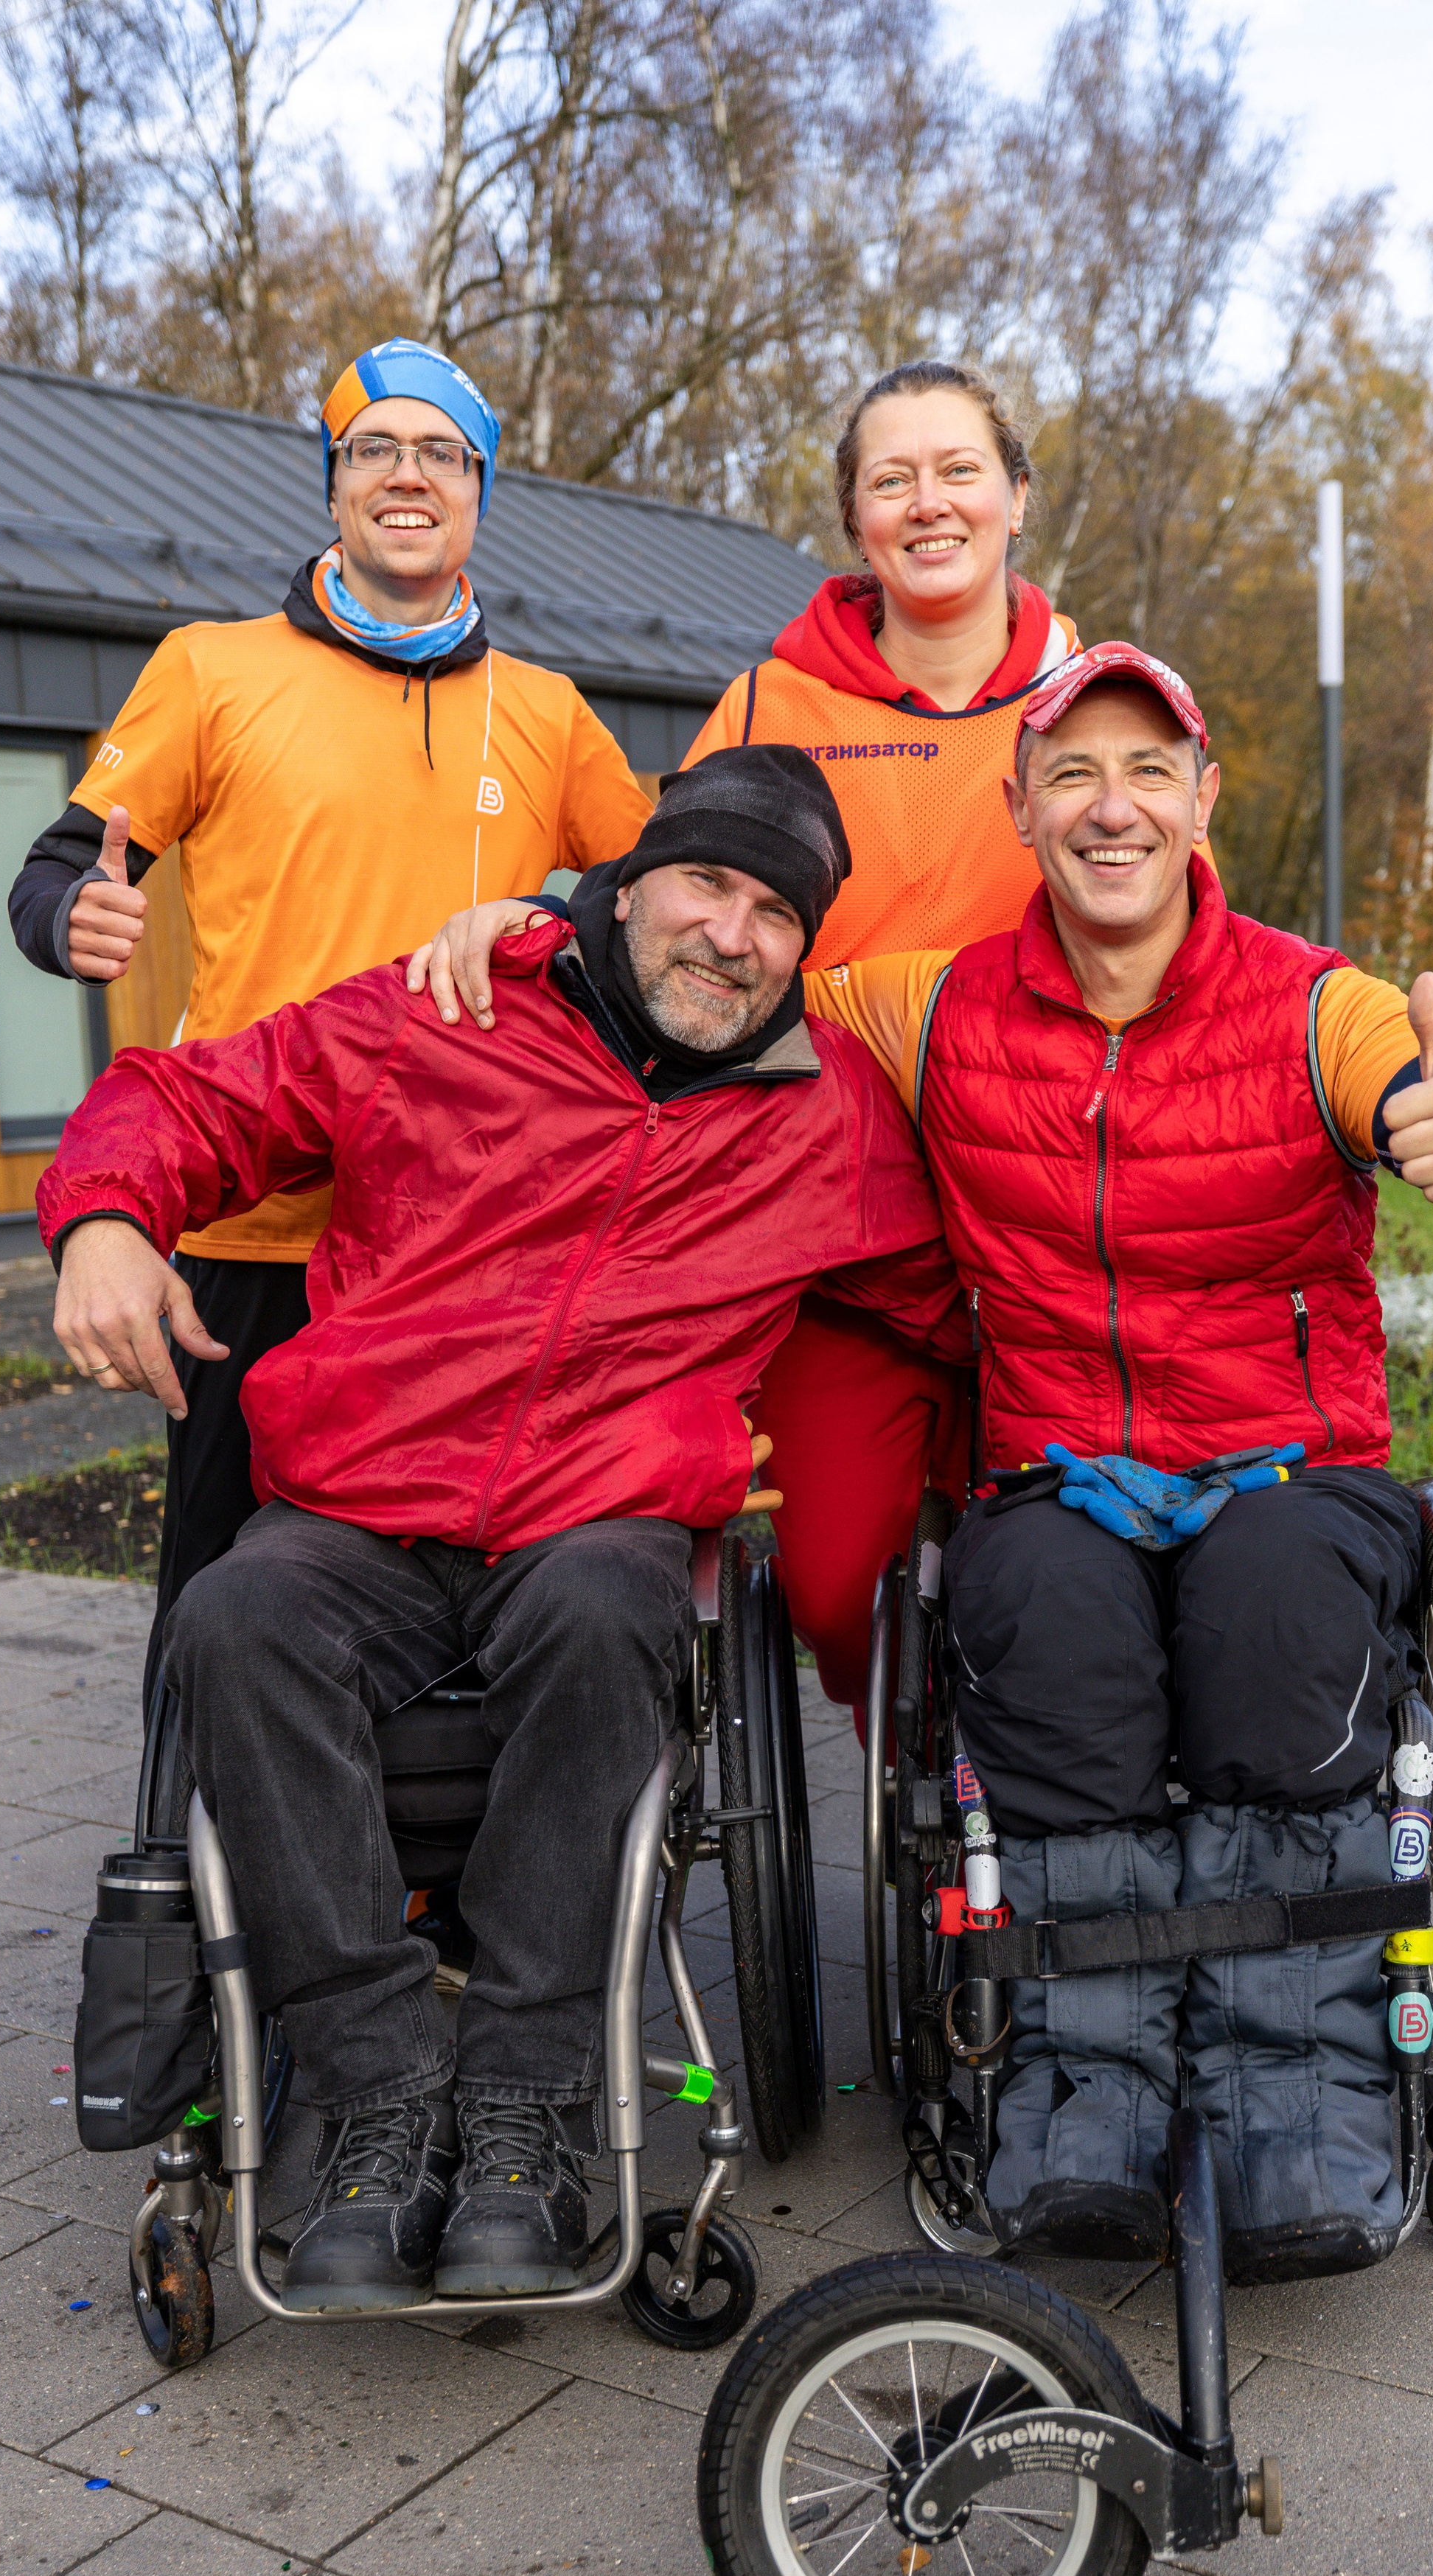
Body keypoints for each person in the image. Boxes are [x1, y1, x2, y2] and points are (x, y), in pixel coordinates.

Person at [467, 643, 1433, 2272]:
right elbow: (716, 967)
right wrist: (536, 924)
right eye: (1070, 773)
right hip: (1058, 1470)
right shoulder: (931, 1005)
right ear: (1018, 808)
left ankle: (1305, 2104)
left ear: (1201, 802)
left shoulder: (1312, 1003)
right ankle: (1089, 2104)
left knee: (1268, 1616)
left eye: (1146, 771)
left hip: (1289, 1467)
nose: (1107, 805)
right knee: (1041, 1624)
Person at [38, 750, 966, 2311]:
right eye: (704, 884)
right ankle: (376, 2085)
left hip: (594, 1522)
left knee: (613, 1610)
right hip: (362, 1507)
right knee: (233, 1619)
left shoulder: (828, 1115)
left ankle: (528, 2100)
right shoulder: (444, 1009)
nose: (730, 933)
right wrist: (109, 1221)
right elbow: (189, 1098)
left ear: (804, 949)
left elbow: (971, 1291)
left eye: (772, 912)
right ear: (628, 880)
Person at [408, 360, 1079, 1711]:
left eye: (958, 470)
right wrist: (533, 914)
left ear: (1016, 497)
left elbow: (1191, 947)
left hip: (1050, 1218)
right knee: (841, 1600)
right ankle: (923, 1795)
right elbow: (664, 899)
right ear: (856, 521)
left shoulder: (1095, 702)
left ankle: (1015, 1838)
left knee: (1059, 1587)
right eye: (891, 479)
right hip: (838, 1220)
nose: (928, 503)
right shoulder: (774, 704)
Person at [8, 336, 655, 1689]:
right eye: (375, 450)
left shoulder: (544, 710)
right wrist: (72, 918)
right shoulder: (211, 669)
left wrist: (561, 920)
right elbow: (60, 862)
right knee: (224, 1589)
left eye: (440, 453)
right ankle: (193, 1864)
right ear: (334, 483)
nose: (407, 476)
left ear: (477, 489)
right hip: (251, 1225)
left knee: (426, 1594)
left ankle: (413, 1880)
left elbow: (657, 900)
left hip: (459, 1230)